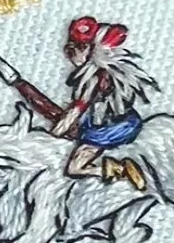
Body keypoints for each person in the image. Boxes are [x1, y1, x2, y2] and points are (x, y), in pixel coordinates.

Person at [52, 15, 155, 192]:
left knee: (74, 169)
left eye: (78, 49)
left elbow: (77, 108)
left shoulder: (92, 78)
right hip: (126, 121)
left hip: (106, 129)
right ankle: (121, 170)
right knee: (75, 165)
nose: (71, 56)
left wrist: (55, 133)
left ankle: (120, 170)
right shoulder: (106, 74)